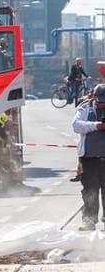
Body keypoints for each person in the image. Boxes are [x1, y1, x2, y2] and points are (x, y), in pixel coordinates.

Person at [72, 83, 105, 231]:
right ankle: (89, 219)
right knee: (90, 189)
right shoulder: (85, 107)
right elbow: (76, 125)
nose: (102, 104)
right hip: (90, 158)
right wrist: (96, 126)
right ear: (94, 97)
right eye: (100, 101)